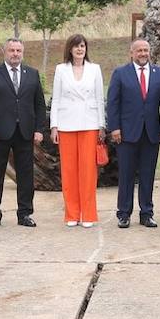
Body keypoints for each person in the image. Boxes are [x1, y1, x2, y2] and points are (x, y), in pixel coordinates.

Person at [0, 38, 46, 229]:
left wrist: (39, 130)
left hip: (25, 133)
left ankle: (25, 213)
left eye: (18, 50)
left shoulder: (32, 74)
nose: (15, 54)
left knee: (26, 175)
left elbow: (39, 104)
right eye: (11, 50)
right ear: (4, 52)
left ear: (22, 52)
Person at [106, 38, 160, 228]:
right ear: (131, 53)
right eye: (139, 50)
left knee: (147, 174)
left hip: (152, 133)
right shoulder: (120, 73)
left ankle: (147, 213)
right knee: (126, 174)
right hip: (126, 134)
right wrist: (115, 128)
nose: (143, 54)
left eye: (146, 50)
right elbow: (113, 104)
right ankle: (124, 213)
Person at [50, 34, 105, 228]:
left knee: (88, 171)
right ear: (70, 49)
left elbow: (99, 98)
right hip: (66, 124)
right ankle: (72, 214)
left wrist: (101, 125)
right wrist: (54, 126)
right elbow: (55, 99)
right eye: (76, 46)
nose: (80, 49)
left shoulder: (95, 69)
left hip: (89, 124)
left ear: (86, 48)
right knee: (69, 170)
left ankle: (88, 214)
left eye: (82, 46)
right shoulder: (61, 69)